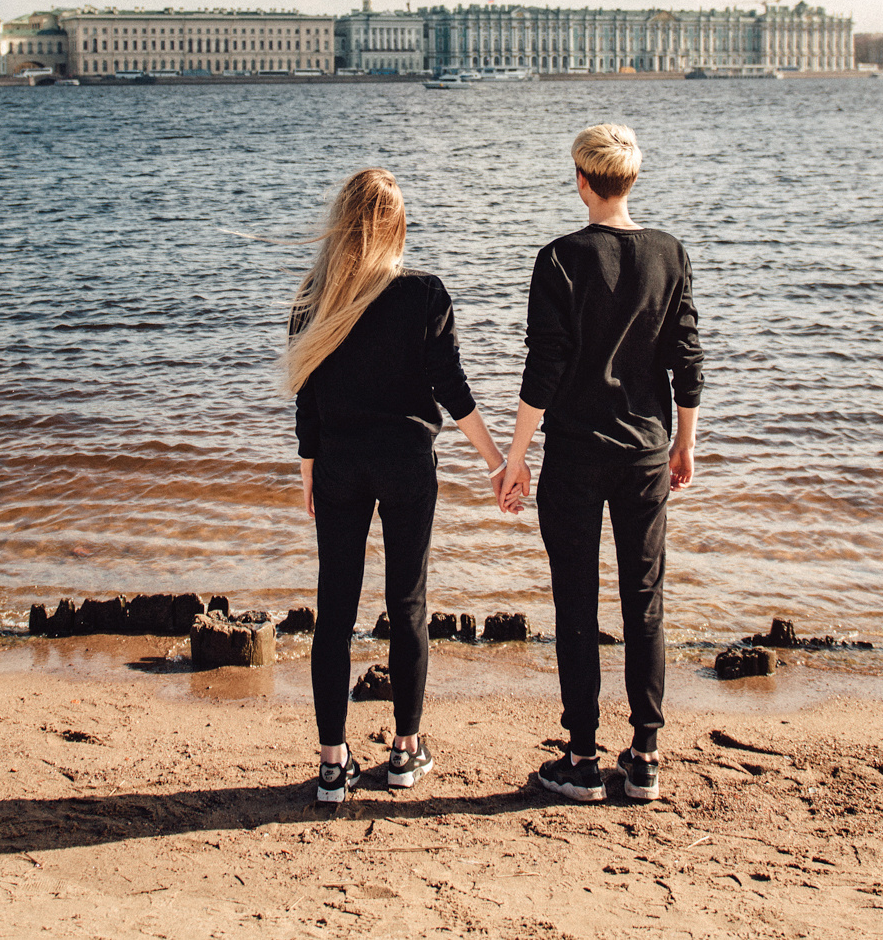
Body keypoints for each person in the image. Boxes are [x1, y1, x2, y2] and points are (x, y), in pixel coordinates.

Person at [288, 167, 509, 805]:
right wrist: (497, 461)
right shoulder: (424, 293)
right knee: (408, 605)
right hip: (408, 464)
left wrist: (308, 464)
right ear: (397, 226)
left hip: (340, 463)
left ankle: (333, 765)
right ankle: (406, 752)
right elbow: (453, 389)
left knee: (335, 610)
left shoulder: (313, 297)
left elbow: (307, 393)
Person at [494, 124, 701, 804]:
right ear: (630, 179)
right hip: (645, 452)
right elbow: (686, 360)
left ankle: (581, 758)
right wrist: (685, 443)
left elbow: (544, 368)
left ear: (582, 181)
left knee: (576, 602)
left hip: (576, 455)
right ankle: (645, 756)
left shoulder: (559, 258)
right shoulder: (669, 254)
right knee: (645, 600)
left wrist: (515, 458)